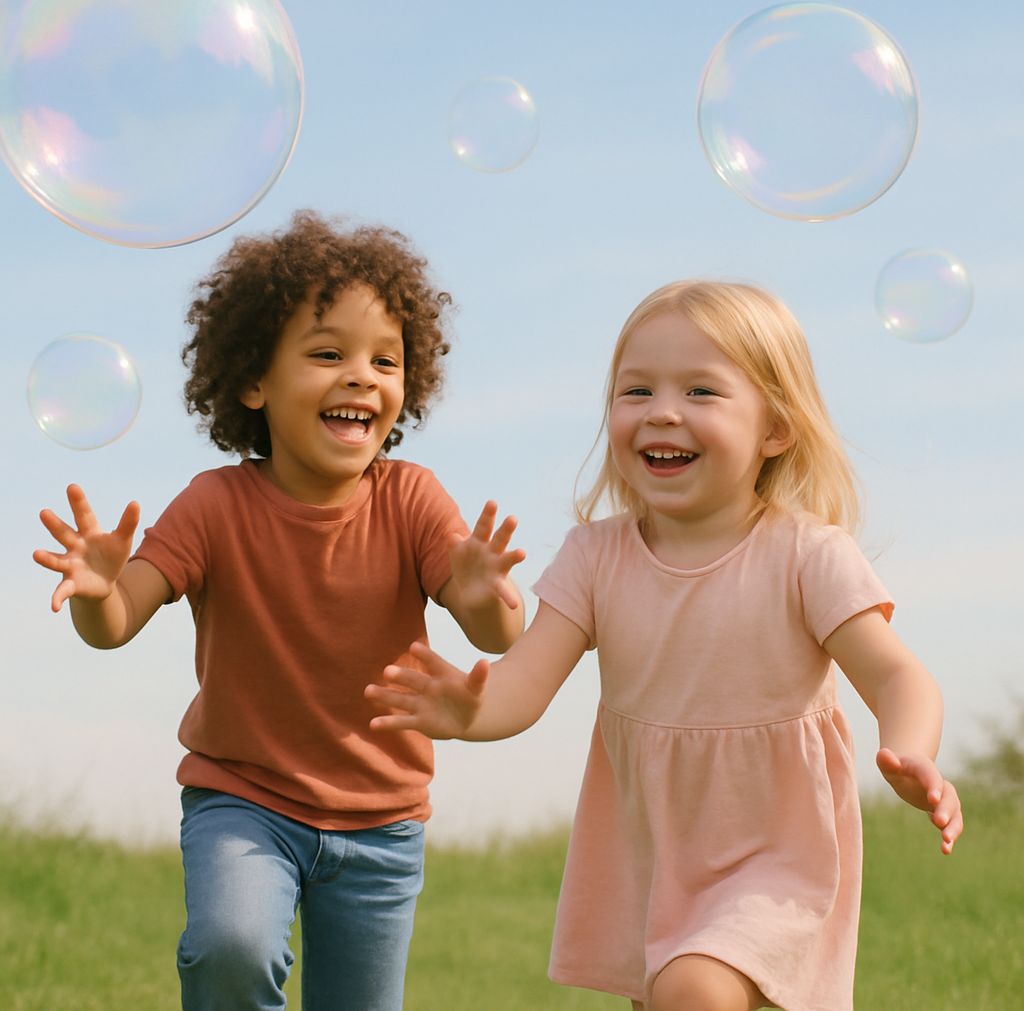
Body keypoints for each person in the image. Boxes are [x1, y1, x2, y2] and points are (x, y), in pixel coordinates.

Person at [365, 281, 964, 1011]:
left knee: (693, 989)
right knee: (676, 993)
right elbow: (525, 680)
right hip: (653, 852)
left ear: (775, 428)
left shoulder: (807, 556)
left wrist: (912, 750)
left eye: (702, 391)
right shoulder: (594, 557)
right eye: (636, 390)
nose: (662, 412)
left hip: (775, 854)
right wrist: (470, 710)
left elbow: (899, 674)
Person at [33, 211, 526, 1011]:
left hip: (382, 823)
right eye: (328, 354)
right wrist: (97, 593)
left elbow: (499, 633)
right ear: (254, 380)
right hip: (243, 800)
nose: (362, 376)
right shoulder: (214, 505)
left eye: (385, 361)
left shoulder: (413, 500)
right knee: (232, 948)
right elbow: (118, 622)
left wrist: (482, 599)